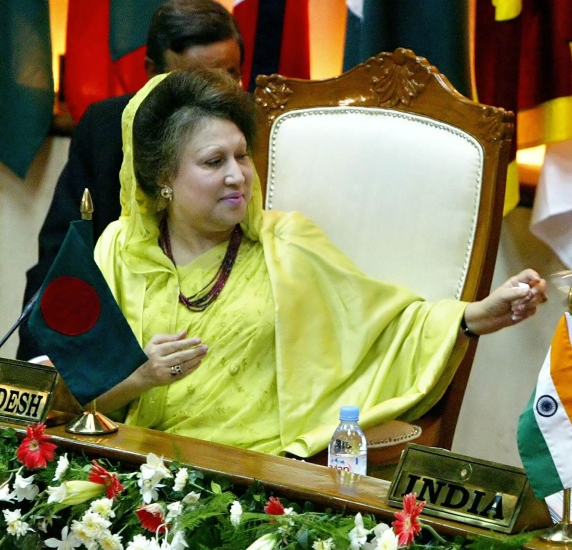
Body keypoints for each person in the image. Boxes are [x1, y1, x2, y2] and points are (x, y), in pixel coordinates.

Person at [92, 69, 547, 458]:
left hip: (257, 473)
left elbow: (382, 326)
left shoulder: (286, 244)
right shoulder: (117, 250)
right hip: (129, 465)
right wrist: (142, 376)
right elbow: (75, 393)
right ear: (163, 177)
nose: (237, 176)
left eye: (242, 156)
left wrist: (474, 316)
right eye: (214, 161)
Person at [19, 0, 244, 361]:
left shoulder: (261, 136)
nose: (212, 97)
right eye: (191, 81)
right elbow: (64, 254)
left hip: (228, 325)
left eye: (229, 75)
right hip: (121, 330)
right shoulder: (106, 129)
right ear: (151, 72)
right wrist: (43, 366)